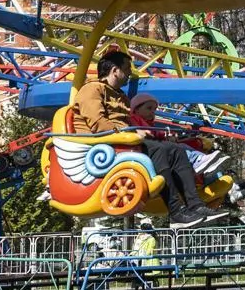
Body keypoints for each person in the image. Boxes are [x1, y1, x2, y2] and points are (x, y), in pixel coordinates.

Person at [73, 50, 227, 227]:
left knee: (175, 150)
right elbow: (99, 123)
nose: (130, 72)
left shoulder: (121, 96)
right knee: (159, 150)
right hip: (105, 143)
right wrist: (130, 132)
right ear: (115, 70)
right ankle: (176, 212)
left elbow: (128, 122)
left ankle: (195, 206)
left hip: (125, 140)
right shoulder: (92, 89)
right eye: (127, 68)